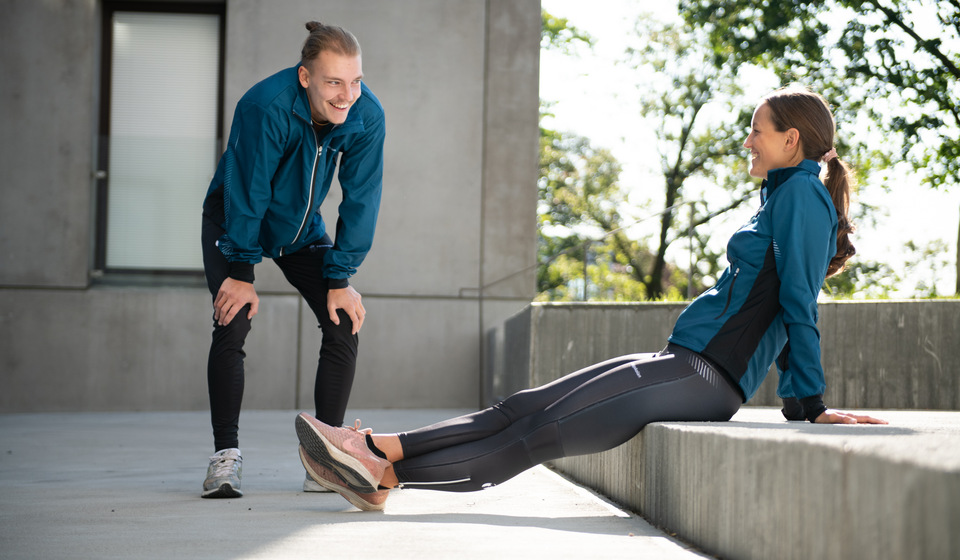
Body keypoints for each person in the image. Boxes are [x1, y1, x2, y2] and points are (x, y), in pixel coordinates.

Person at [293, 85, 887, 512]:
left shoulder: (803, 198)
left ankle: (382, 472)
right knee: (520, 408)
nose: (748, 140)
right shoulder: (784, 195)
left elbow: (798, 305)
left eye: (757, 130)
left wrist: (808, 403)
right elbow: (781, 298)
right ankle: (374, 449)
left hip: (705, 376)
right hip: (683, 361)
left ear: (792, 139)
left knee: (531, 436)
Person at [200, 21, 385, 499]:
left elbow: (361, 197)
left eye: (356, 80)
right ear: (305, 77)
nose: (348, 95)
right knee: (232, 319)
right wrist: (241, 271)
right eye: (333, 82)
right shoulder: (265, 106)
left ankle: (326, 458)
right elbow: (248, 189)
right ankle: (226, 457)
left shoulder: (366, 114)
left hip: (300, 232)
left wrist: (341, 276)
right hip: (234, 220)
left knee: (343, 319)